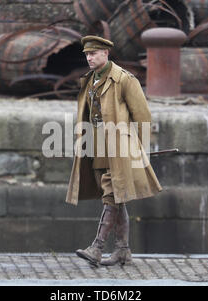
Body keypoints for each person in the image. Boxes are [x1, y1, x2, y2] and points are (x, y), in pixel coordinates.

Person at [65, 35, 162, 266]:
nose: (89, 58)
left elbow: (143, 117)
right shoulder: (89, 81)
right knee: (117, 198)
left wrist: (134, 147)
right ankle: (123, 250)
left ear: (105, 54)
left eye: (94, 53)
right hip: (97, 148)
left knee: (111, 195)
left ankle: (97, 247)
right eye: (87, 54)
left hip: (119, 149)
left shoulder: (124, 80)